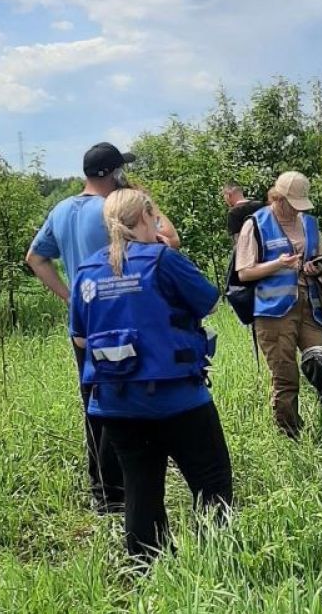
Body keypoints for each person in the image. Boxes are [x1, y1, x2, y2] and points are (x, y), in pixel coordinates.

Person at [70, 189, 233, 559]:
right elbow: (208, 299)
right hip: (179, 400)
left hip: (117, 405)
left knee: (141, 489)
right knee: (211, 482)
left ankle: (147, 569)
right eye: (154, 215)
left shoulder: (88, 270)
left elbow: (80, 337)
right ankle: (220, 559)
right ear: (145, 217)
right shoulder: (162, 260)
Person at [25, 142, 178, 515]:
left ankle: (104, 492)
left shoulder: (62, 210)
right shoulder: (118, 211)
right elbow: (170, 243)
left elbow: (35, 259)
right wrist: (149, 204)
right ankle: (131, 490)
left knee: (94, 405)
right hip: (125, 325)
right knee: (130, 406)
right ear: (112, 174)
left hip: (85, 328)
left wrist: (71, 299)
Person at [235, 171, 322, 438]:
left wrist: (314, 267)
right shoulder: (255, 224)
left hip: (310, 305)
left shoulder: (309, 223)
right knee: (286, 376)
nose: (295, 210)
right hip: (273, 312)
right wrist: (278, 264)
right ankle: (290, 433)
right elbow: (244, 272)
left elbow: (320, 257)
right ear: (278, 198)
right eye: (291, 204)